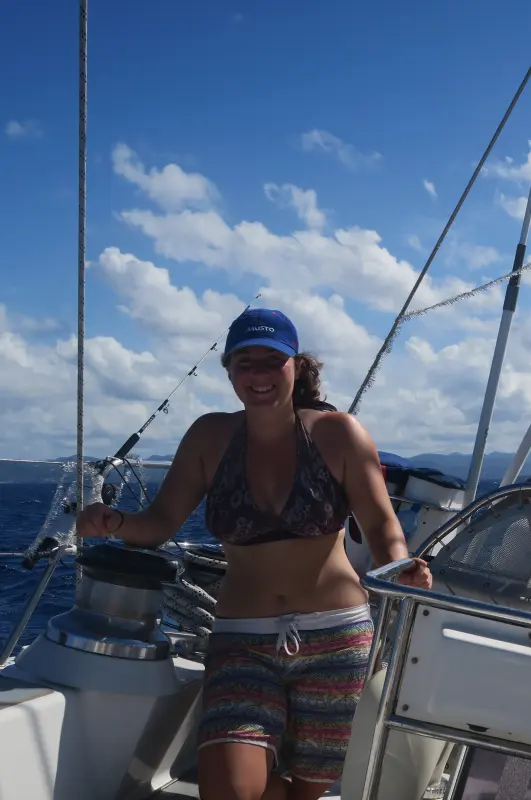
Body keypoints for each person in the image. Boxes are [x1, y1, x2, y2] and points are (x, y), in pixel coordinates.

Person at [76, 308, 432, 800]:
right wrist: (114, 522)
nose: (259, 374)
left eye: (273, 360)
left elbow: (380, 525)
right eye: (246, 363)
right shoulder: (209, 437)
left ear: (296, 367)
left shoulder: (338, 433)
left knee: (309, 793)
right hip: (242, 639)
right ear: (229, 371)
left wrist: (401, 566)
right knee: (229, 790)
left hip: (337, 638)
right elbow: (158, 524)